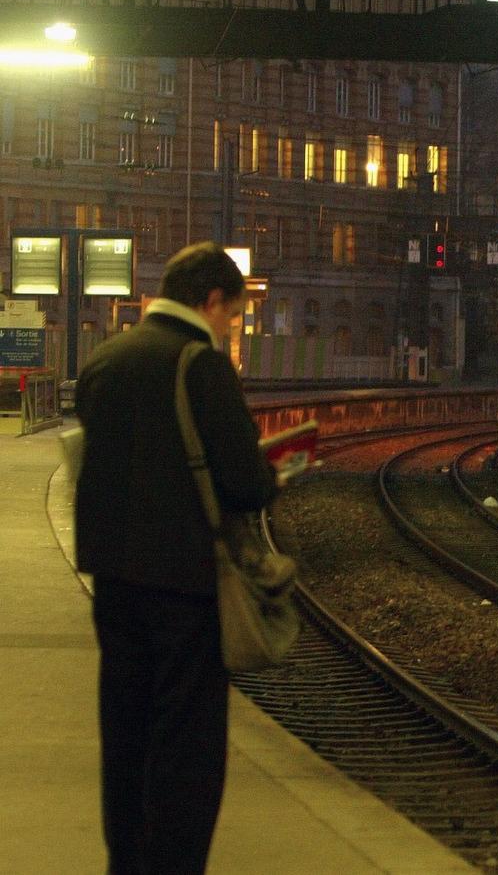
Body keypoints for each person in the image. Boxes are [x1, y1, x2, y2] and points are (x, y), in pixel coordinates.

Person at [75, 241, 281, 875]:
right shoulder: (200, 365)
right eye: (232, 318)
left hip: (113, 583)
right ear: (210, 299)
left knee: (126, 733)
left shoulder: (106, 358)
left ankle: (126, 861)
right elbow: (246, 483)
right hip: (186, 588)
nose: (229, 331)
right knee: (185, 748)